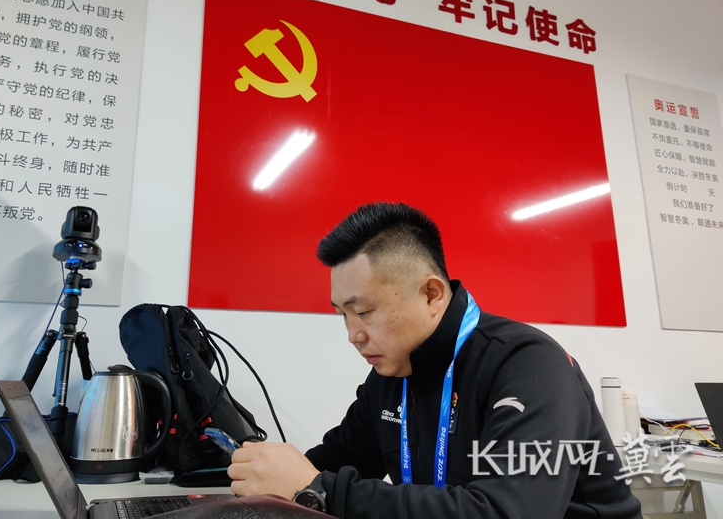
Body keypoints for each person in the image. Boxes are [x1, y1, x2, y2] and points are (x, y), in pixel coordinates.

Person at [227, 202, 642, 518]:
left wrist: (318, 489)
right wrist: (265, 472)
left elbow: (508, 511)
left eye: (364, 311)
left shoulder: (528, 364)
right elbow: (333, 460)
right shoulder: (391, 373)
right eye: (343, 315)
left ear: (431, 294)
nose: (353, 334)